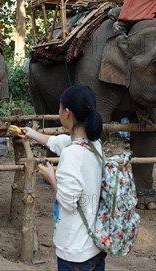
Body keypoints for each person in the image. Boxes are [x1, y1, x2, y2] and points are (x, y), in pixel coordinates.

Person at [18, 85, 107, 271]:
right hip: (94, 245)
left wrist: (51, 177)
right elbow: (57, 142)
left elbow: (68, 200)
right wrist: (32, 134)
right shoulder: (94, 144)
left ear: (67, 113)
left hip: (75, 250)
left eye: (59, 108)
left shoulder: (72, 154)